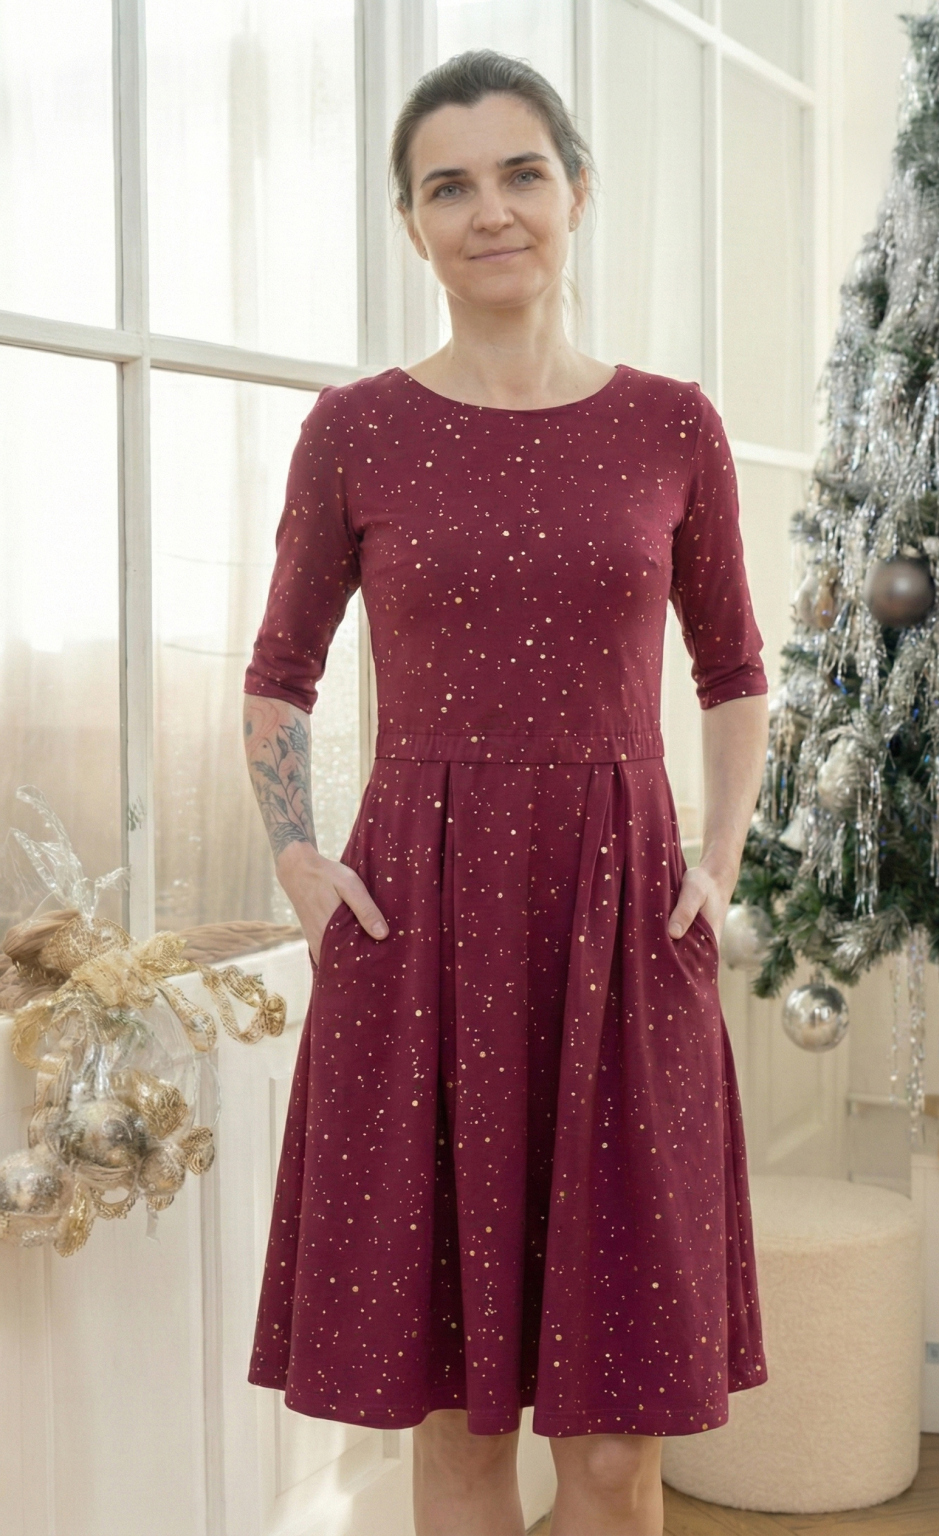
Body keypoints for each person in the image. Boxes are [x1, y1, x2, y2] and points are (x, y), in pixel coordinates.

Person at [242, 48, 771, 1536]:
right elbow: (278, 673)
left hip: (625, 925)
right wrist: (300, 863)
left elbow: (735, 668)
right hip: (419, 931)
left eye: (522, 173)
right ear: (411, 223)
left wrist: (720, 859)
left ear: (577, 192)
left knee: (612, 1451)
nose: (491, 211)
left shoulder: (673, 424)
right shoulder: (356, 431)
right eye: (449, 186)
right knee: (460, 1429)